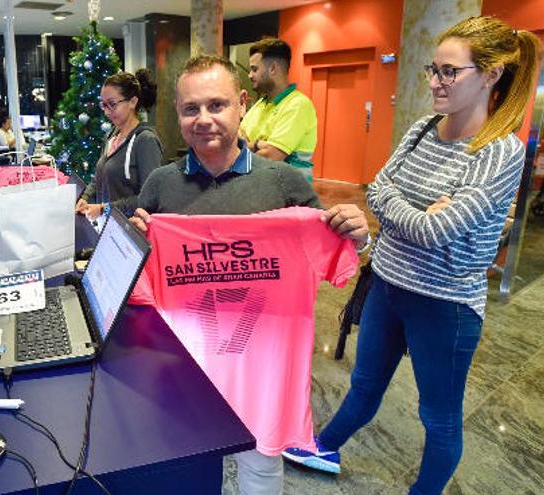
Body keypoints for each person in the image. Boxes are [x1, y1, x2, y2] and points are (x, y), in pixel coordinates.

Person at [282, 17, 540, 495]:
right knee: (364, 384)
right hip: (387, 283)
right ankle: (325, 445)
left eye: (450, 72)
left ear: (491, 75)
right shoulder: (422, 129)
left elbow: (435, 228)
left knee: (438, 416)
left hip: (446, 305)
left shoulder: (497, 152)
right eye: (432, 69)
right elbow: (374, 190)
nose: (436, 82)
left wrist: (405, 209)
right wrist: (414, 210)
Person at [130, 54, 369, 495]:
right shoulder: (161, 185)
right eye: (190, 109)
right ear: (178, 114)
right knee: (187, 472)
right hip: (186, 369)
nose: (204, 119)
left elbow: (328, 249)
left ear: (242, 104)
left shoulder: (285, 183)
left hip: (263, 369)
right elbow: (138, 276)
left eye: (217, 105)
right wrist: (135, 243)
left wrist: (354, 235)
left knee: (259, 471)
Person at [76, 69, 164, 219]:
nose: (107, 112)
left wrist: (105, 208)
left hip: (132, 231)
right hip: (109, 226)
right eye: (104, 105)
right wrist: (85, 198)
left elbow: (151, 198)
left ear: (132, 102)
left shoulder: (145, 141)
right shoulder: (111, 136)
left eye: (112, 104)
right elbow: (99, 177)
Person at [240, 38, 318, 181]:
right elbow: (236, 141)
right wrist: (258, 145)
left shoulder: (298, 104)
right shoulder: (260, 104)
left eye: (254, 69)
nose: (249, 75)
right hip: (260, 187)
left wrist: (251, 144)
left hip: (291, 194)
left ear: (273, 68)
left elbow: (271, 156)